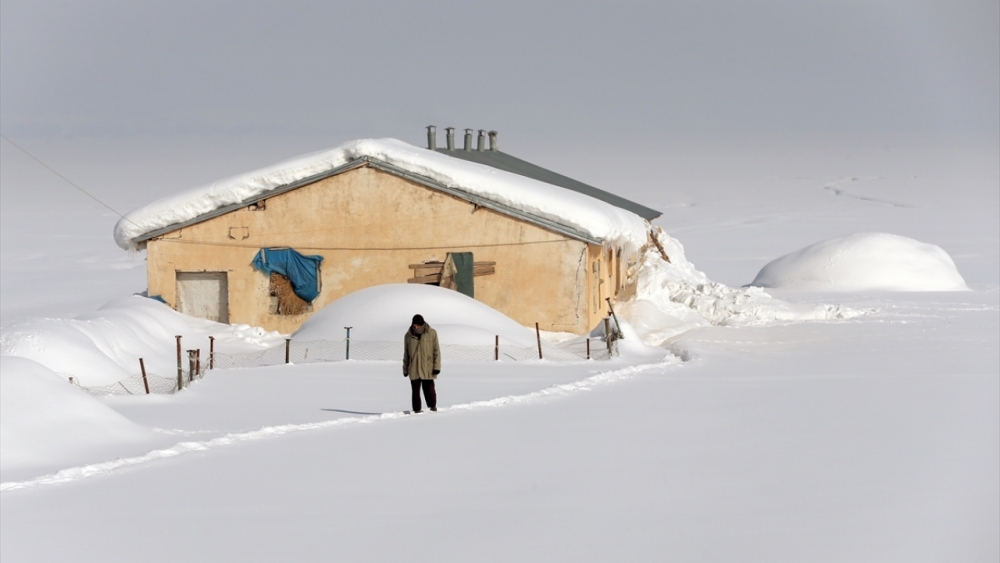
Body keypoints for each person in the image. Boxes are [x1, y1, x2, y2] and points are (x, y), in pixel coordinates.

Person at [403, 314, 441, 413]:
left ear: (422, 324)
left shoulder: (432, 333)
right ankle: (417, 411)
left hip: (427, 367)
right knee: (415, 392)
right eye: (414, 326)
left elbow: (436, 351)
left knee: (429, 391)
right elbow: (406, 354)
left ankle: (432, 408)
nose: (416, 328)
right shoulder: (408, 336)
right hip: (414, 368)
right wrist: (405, 369)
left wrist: (436, 366)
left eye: (418, 326)